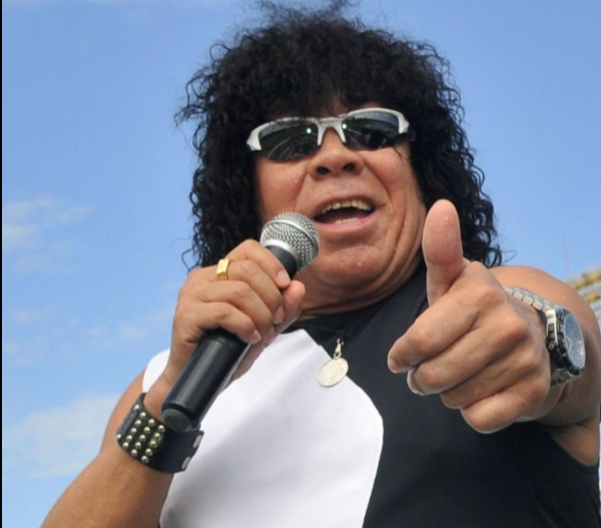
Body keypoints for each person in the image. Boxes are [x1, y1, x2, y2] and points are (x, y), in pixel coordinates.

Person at [41, 3, 601, 528]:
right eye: (290, 141)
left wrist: (540, 345)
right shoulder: (162, 382)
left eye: (372, 131)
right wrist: (169, 395)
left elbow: (569, 352)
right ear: (247, 191)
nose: (335, 156)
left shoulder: (494, 300)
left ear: (421, 170)